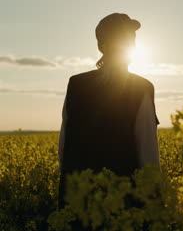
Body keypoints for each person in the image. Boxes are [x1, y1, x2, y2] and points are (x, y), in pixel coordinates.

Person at [57, 13, 161, 211]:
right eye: (130, 37)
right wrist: (155, 200)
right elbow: (148, 153)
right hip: (123, 201)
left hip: (79, 199)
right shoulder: (141, 88)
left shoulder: (75, 84)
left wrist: (67, 190)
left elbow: (64, 143)